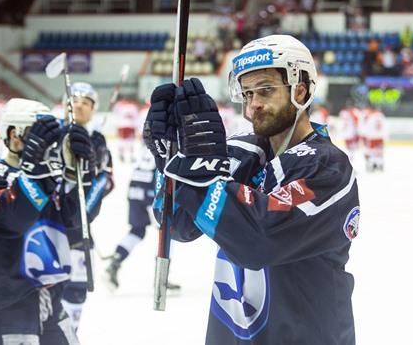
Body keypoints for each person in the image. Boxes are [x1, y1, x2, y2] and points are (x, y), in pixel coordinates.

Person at [143, 34, 360, 344]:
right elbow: (179, 226)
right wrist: (170, 159)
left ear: (301, 89)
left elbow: (258, 241)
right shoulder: (240, 153)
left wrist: (199, 171)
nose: (253, 104)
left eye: (266, 90)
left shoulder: (327, 168)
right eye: (246, 93)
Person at [0, 97, 99, 344]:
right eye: (37, 135)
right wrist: (36, 172)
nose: (48, 144)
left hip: (49, 299)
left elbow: (77, 220)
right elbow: (13, 220)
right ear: (14, 135)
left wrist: (79, 177)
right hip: (5, 305)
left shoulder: (52, 177)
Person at [103, 100, 180, 292]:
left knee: (137, 230)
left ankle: (115, 263)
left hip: (135, 185)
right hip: (151, 187)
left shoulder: (148, 137)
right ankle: (160, 278)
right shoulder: (171, 138)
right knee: (166, 230)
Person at [59, 82, 114, 333]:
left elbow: (106, 181)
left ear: (93, 110)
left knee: (75, 295)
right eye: (75, 100)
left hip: (78, 234)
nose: (79, 105)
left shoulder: (98, 141)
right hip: (46, 229)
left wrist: (83, 212)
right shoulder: (52, 135)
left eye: (87, 102)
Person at [360, 102, 385, 172]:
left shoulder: (370, 115)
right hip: (380, 136)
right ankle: (380, 164)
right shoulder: (381, 115)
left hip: (372, 136)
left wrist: (365, 135)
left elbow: (367, 126)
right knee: (379, 150)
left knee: (371, 151)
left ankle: (373, 165)